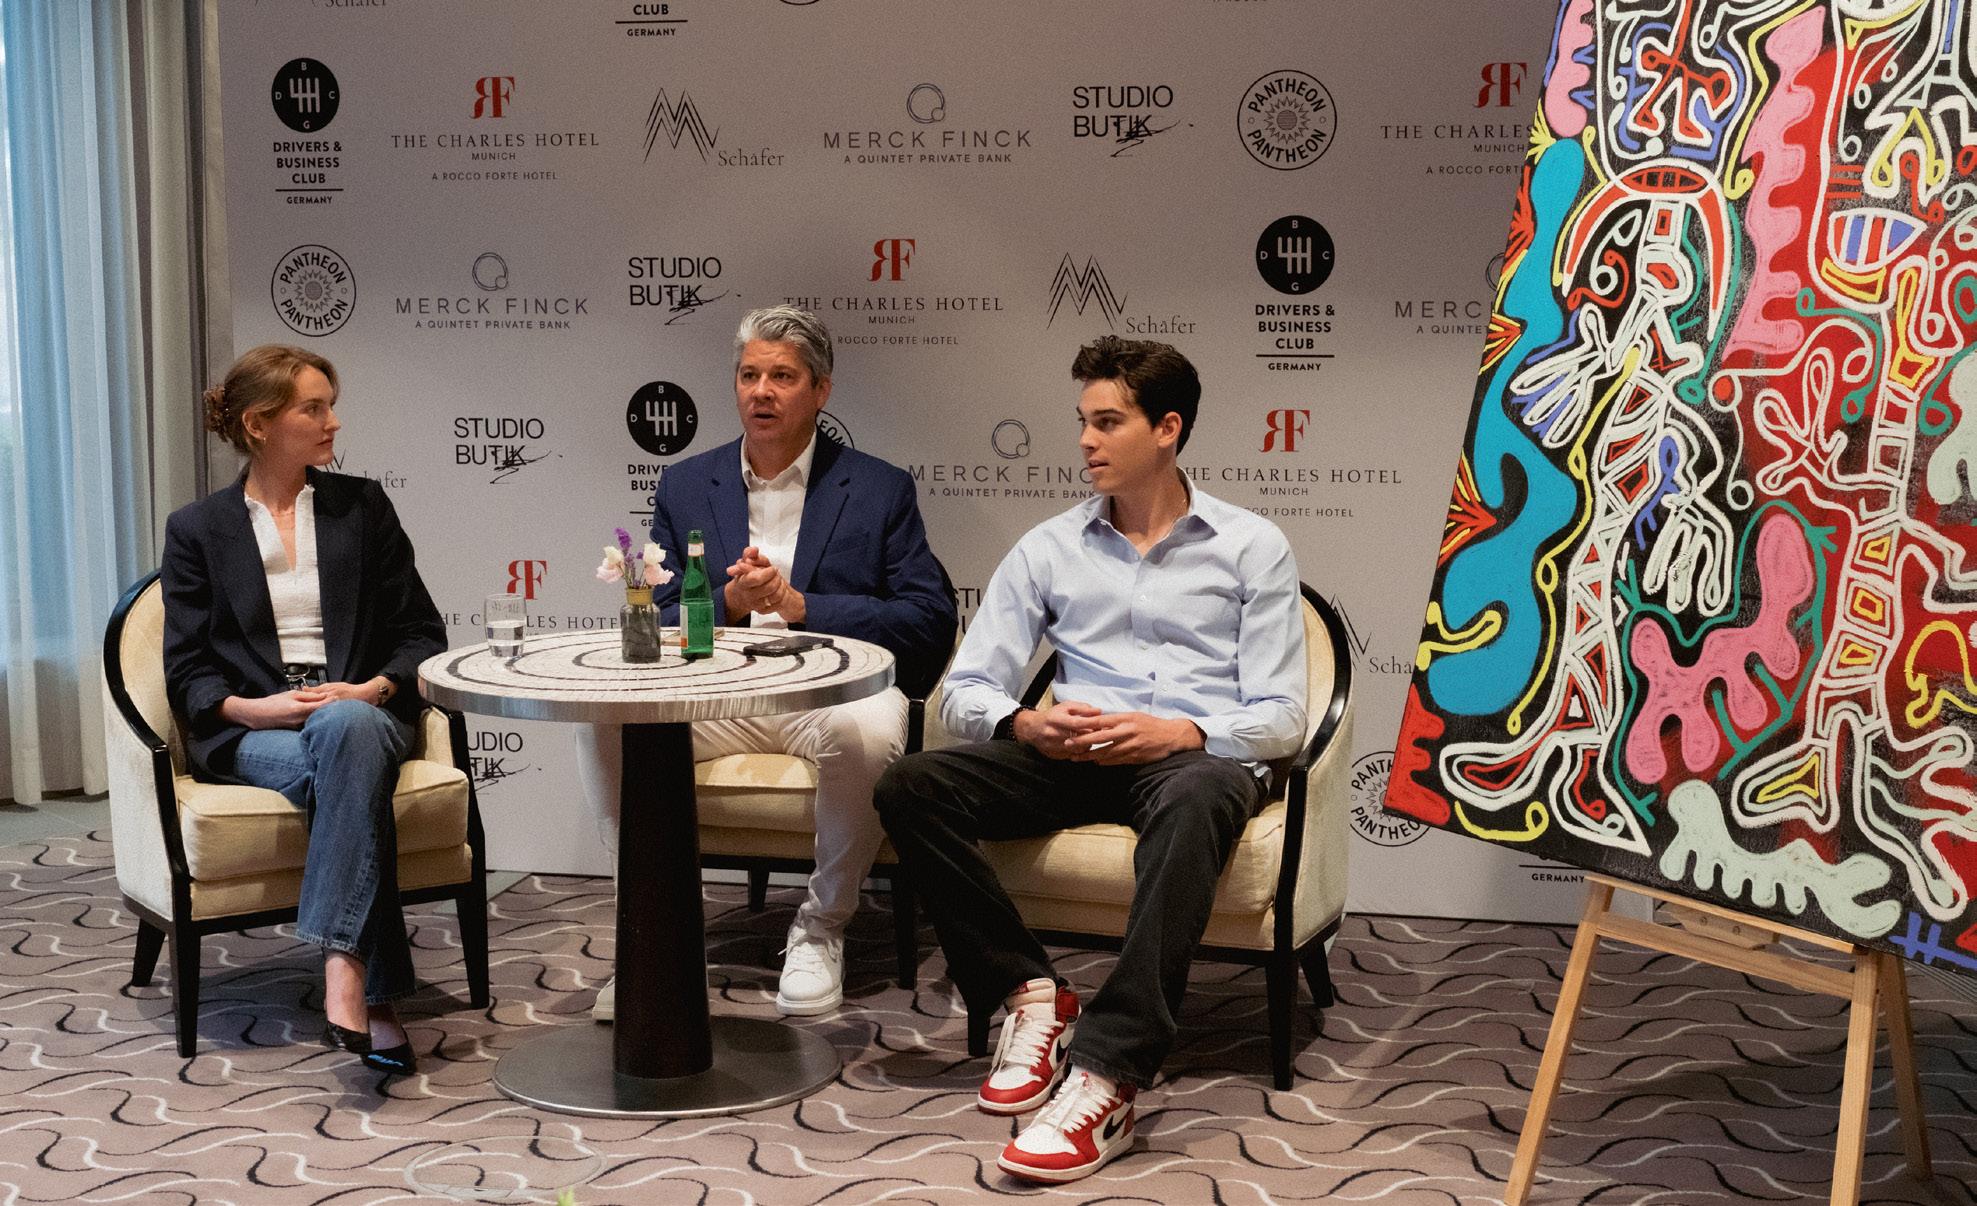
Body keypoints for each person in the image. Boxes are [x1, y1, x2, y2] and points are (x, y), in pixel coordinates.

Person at [874, 336, 1307, 1183]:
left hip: (1189, 761)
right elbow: (965, 690)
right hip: (1071, 755)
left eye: (1107, 422)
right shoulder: (1049, 547)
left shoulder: (1251, 546)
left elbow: (1282, 717)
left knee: (1198, 796)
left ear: (1167, 428)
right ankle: (1032, 994)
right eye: (1083, 421)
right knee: (911, 784)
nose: (1085, 440)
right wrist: (1023, 723)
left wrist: (1182, 732)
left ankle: (1107, 1072)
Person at [581, 304, 957, 1017]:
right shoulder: (688, 485)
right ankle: (654, 934)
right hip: (719, 692)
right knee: (608, 722)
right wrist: (723, 600)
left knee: (864, 732)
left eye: (782, 376)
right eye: (749, 375)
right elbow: (659, 617)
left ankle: (821, 928)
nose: (761, 391)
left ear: (820, 390)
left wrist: (800, 604)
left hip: (831, 690)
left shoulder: (878, 489)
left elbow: (928, 619)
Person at [162, 345, 447, 1076]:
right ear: (259, 425)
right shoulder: (198, 529)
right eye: (312, 408)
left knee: (349, 732)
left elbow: (422, 633)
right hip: (259, 731)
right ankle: (371, 993)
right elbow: (186, 668)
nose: (332, 422)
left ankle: (343, 966)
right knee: (350, 769)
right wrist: (252, 710)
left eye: (330, 406)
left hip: (362, 711)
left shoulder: (362, 506)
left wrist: (371, 690)